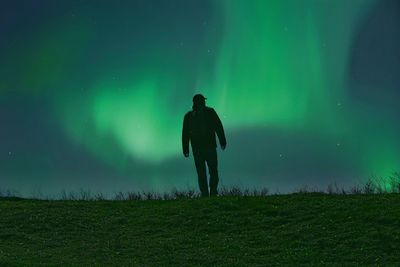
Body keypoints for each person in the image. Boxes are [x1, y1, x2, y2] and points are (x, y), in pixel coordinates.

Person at [182, 94, 227, 197]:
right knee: (212, 170)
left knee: (202, 172)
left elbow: (185, 134)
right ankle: (212, 192)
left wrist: (186, 149)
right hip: (209, 146)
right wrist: (222, 141)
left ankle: (206, 193)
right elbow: (218, 126)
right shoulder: (209, 112)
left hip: (198, 148)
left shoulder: (188, 116)